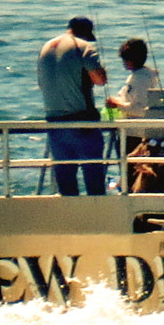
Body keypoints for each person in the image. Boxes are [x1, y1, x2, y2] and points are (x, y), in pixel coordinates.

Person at [37, 15, 108, 196]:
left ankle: (70, 220)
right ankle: (97, 217)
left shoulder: (45, 48)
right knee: (93, 177)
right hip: (81, 120)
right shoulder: (83, 46)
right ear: (84, 32)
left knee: (65, 179)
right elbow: (100, 80)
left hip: (54, 122)